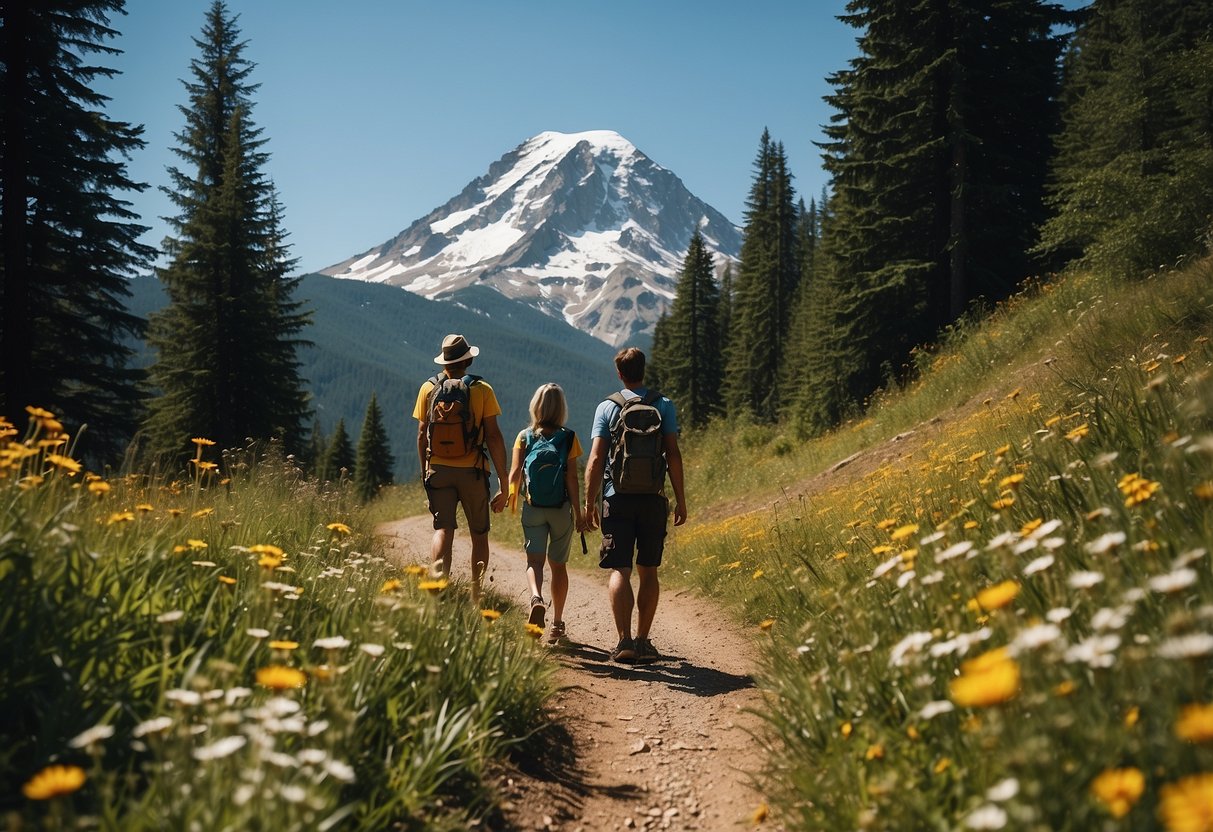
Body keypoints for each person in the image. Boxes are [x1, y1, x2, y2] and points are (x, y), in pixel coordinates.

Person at [583, 347, 687, 664]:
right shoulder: (664, 405)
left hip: (617, 498)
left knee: (620, 569)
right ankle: (643, 641)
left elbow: (597, 459)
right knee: (649, 570)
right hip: (653, 498)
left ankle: (624, 641)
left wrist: (590, 502)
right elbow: (673, 454)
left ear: (620, 373)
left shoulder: (607, 407)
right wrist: (680, 500)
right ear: (644, 370)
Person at [413, 334, 508, 602]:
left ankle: (437, 589)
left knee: (443, 529)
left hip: (438, 470)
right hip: (473, 471)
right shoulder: (482, 390)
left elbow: (422, 434)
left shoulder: (427, 389)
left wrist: (425, 471)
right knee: (479, 534)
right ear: (468, 359)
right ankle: (476, 596)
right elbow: (494, 436)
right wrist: (503, 480)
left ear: (444, 361)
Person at [507, 383, 585, 644]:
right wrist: (579, 510)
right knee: (558, 566)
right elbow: (572, 478)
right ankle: (558, 625)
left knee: (535, 562)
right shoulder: (569, 437)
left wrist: (509, 499)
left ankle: (536, 598)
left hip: (533, 507)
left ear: (536, 406)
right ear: (561, 408)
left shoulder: (524, 436)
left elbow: (515, 473)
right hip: (561, 509)